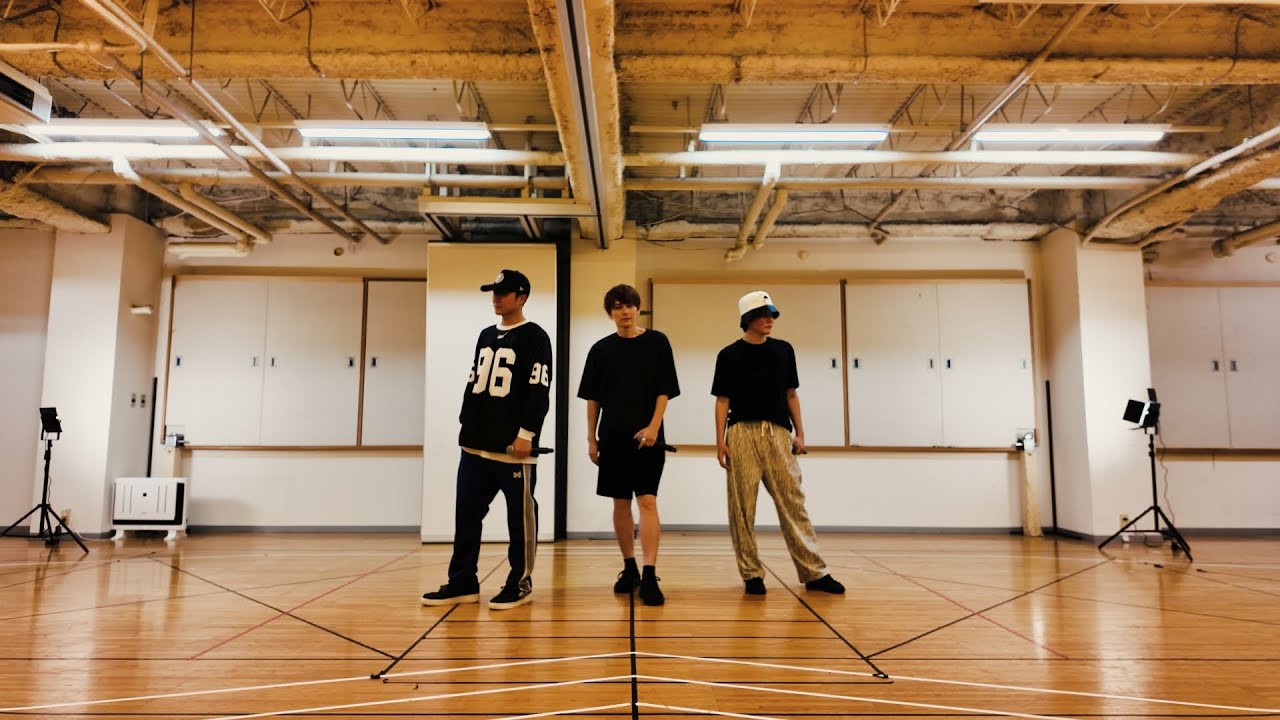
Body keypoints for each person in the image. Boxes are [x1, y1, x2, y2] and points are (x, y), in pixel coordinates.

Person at [422, 269, 552, 611]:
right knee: (466, 516)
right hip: (474, 446)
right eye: (494, 292)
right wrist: (466, 422)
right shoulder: (485, 335)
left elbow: (539, 389)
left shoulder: (535, 337)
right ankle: (462, 581)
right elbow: (474, 380)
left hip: (512, 450)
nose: (496, 298)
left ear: (521, 297)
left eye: (503, 292)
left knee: (520, 519)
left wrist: (526, 433)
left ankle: (519, 581)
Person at [711, 290, 844, 596]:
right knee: (742, 508)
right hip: (741, 433)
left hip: (778, 433)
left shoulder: (784, 351)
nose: (770, 320)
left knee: (793, 502)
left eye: (771, 314)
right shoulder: (728, 355)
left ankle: (814, 572)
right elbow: (722, 400)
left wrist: (800, 433)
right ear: (748, 319)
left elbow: (791, 394)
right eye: (763, 315)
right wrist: (720, 442)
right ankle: (751, 574)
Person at [578, 284, 680, 606]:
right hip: (612, 437)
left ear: (638, 308)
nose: (624, 311)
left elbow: (664, 390)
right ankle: (630, 567)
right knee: (620, 504)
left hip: (649, 438)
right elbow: (592, 398)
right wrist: (591, 438)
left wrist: (654, 426)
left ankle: (650, 573)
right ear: (610, 312)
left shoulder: (657, 342)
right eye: (618, 306)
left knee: (647, 501)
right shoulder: (600, 350)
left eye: (629, 305)